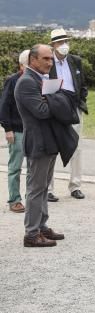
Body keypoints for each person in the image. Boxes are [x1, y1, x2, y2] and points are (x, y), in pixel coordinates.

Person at [14, 44, 76, 247]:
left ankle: (42, 226)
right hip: (38, 142)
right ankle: (31, 234)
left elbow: (52, 101)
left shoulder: (40, 79)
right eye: (46, 59)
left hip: (48, 141)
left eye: (51, 59)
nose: (50, 63)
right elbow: (41, 110)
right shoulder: (26, 82)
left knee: (42, 188)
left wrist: (52, 98)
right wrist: (56, 99)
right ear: (33, 60)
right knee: (36, 188)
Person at [47, 28, 88, 201]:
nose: (64, 45)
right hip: (56, 107)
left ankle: (75, 185)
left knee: (76, 147)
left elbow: (82, 84)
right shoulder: (48, 62)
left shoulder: (75, 61)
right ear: (53, 45)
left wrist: (81, 99)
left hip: (74, 106)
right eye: (60, 42)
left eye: (65, 41)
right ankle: (48, 188)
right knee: (52, 147)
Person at [0, 49, 30, 212]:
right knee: (15, 166)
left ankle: (31, 198)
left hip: (33, 129)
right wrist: (8, 128)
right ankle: (14, 199)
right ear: (21, 65)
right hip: (17, 129)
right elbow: (4, 105)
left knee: (33, 167)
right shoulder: (12, 80)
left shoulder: (37, 79)